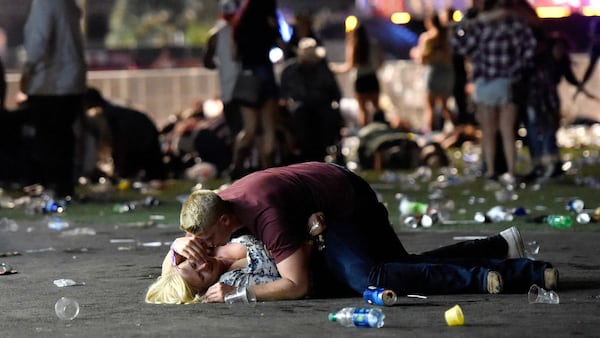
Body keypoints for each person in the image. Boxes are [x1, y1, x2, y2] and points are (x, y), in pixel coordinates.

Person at [168, 161, 558, 302]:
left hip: (344, 202)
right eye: (195, 255)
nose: (201, 251)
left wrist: (240, 294)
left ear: (223, 222)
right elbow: (174, 271)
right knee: (398, 266)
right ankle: (498, 247)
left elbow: (298, 284)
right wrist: (177, 247)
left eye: (204, 242)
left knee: (368, 277)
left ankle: (493, 276)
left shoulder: (260, 215)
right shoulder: (218, 210)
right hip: (326, 195)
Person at [451, 0, 536, 182]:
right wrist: (516, 71)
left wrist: (464, 22)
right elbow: (529, 47)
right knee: (507, 130)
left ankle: (490, 171)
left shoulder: (481, 24)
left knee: (488, 131)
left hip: (485, 82)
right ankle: (511, 172)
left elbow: (461, 46)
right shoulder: (515, 22)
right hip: (507, 81)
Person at [19, 0, 87, 198]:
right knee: (64, 139)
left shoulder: (44, 3)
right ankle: (64, 187)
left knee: (48, 139)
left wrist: (28, 69)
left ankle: (51, 186)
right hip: (71, 82)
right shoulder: (67, 4)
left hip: (50, 83)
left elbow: (38, 41)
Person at [229, 0, 283, 179]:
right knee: (269, 127)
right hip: (265, 74)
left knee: (249, 128)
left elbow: (233, 55)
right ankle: (268, 170)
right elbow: (282, 46)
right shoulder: (269, 22)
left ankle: (236, 166)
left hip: (247, 76)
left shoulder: (240, 24)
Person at [522, 33, 581, 183]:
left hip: (549, 102)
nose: (560, 52)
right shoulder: (543, 63)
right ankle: (539, 165)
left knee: (549, 133)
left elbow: (570, 78)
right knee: (536, 134)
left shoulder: (559, 63)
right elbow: (541, 89)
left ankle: (552, 164)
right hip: (536, 102)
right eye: (558, 48)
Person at [83, 87, 167, 183]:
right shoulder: (111, 110)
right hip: (145, 133)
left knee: (149, 172)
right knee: (152, 172)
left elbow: (120, 141)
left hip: (142, 137)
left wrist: (119, 169)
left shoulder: (109, 115)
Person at [279, 38, 343, 162]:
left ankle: (322, 150)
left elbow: (335, 93)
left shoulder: (323, 69)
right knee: (300, 114)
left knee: (327, 116)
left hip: (321, 107)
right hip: (299, 109)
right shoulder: (289, 71)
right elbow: (283, 95)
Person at [331, 23, 384, 128]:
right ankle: (380, 128)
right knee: (376, 107)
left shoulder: (354, 46)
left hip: (360, 79)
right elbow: (381, 61)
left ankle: (366, 132)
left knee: (363, 110)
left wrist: (335, 69)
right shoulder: (373, 44)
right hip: (372, 77)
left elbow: (349, 66)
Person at [410, 12, 456, 133]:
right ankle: (458, 128)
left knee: (430, 107)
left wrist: (416, 53)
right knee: (445, 106)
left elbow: (423, 59)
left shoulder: (428, 38)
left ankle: (430, 135)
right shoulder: (447, 37)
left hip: (433, 72)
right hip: (447, 72)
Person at [203, 0, 243, 137]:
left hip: (229, 92)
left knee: (236, 132)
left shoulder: (215, 35)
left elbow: (207, 63)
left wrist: (222, 66)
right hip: (247, 91)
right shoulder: (245, 30)